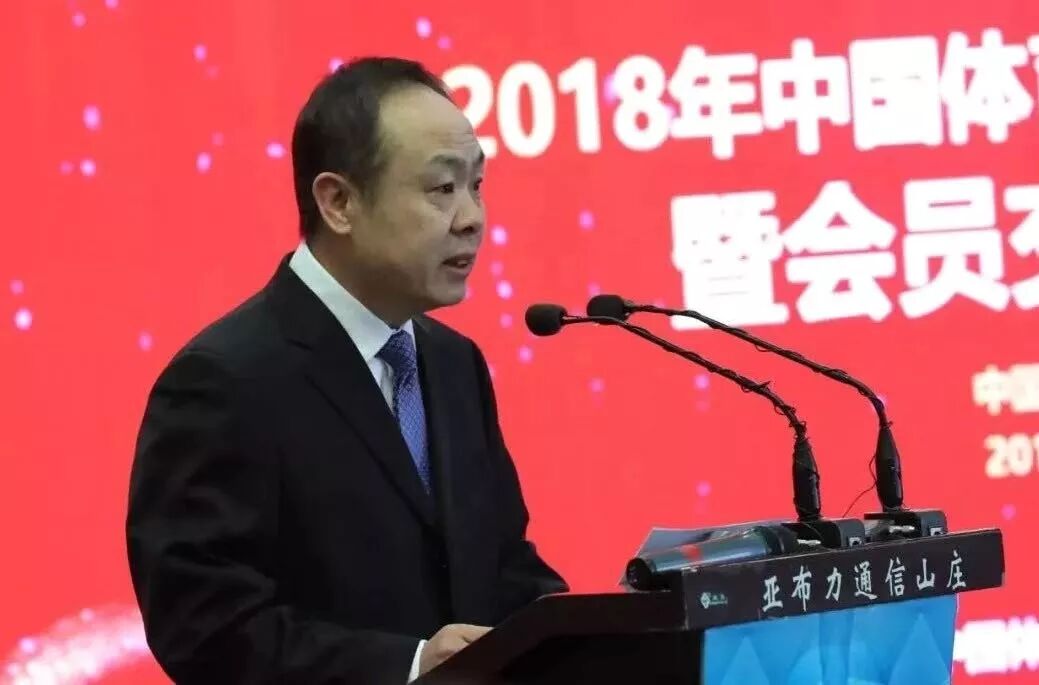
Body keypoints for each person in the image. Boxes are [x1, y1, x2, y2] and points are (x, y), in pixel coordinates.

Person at [126, 56, 567, 685]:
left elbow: (503, 567)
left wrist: (591, 634)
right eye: (442, 188)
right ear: (338, 202)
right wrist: (409, 666)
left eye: (476, 185)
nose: (471, 217)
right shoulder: (226, 379)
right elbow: (204, 628)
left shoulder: (452, 362)